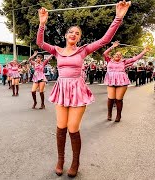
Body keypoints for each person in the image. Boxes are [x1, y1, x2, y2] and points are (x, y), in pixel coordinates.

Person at [36, 1, 130, 177]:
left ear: (79, 38)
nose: (73, 34)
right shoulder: (56, 50)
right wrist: (42, 23)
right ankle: (60, 160)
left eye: (77, 33)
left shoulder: (83, 50)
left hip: (77, 90)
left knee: (72, 127)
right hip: (62, 89)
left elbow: (105, 40)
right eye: (71, 32)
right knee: (61, 126)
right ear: (65, 35)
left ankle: (75, 162)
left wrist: (118, 17)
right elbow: (40, 43)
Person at [103, 41, 150, 122]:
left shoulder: (124, 62)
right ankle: (109, 114)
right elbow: (105, 53)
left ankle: (118, 115)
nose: (118, 55)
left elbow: (135, 58)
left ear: (121, 57)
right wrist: (113, 46)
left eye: (120, 55)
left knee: (119, 99)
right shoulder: (109, 60)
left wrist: (144, 51)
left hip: (122, 82)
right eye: (116, 54)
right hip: (111, 81)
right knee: (110, 98)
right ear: (113, 56)